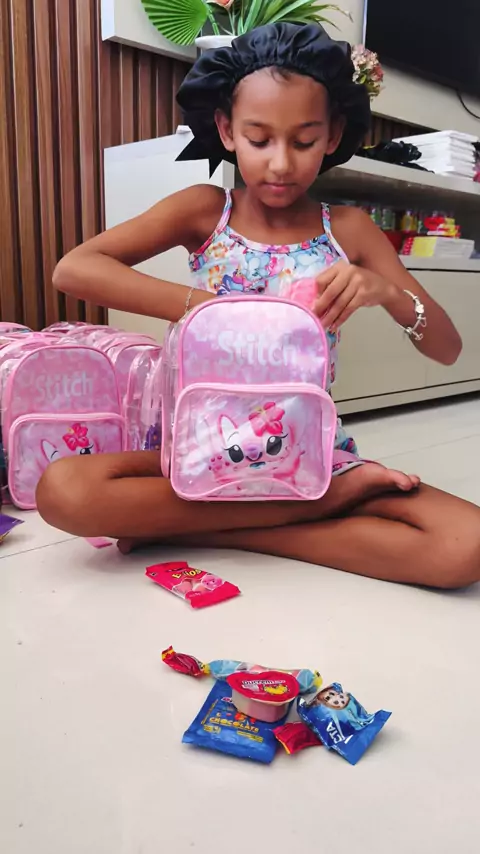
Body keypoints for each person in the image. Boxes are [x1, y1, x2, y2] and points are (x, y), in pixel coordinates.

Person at [37, 23, 480, 589]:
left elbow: (447, 349)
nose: (280, 164)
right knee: (63, 490)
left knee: (465, 545)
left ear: (332, 134)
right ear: (227, 130)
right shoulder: (205, 210)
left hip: (305, 454)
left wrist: (388, 293)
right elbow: (75, 268)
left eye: (303, 142)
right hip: (198, 450)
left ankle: (210, 527)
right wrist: (211, 307)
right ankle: (317, 507)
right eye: (259, 139)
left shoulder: (348, 229)